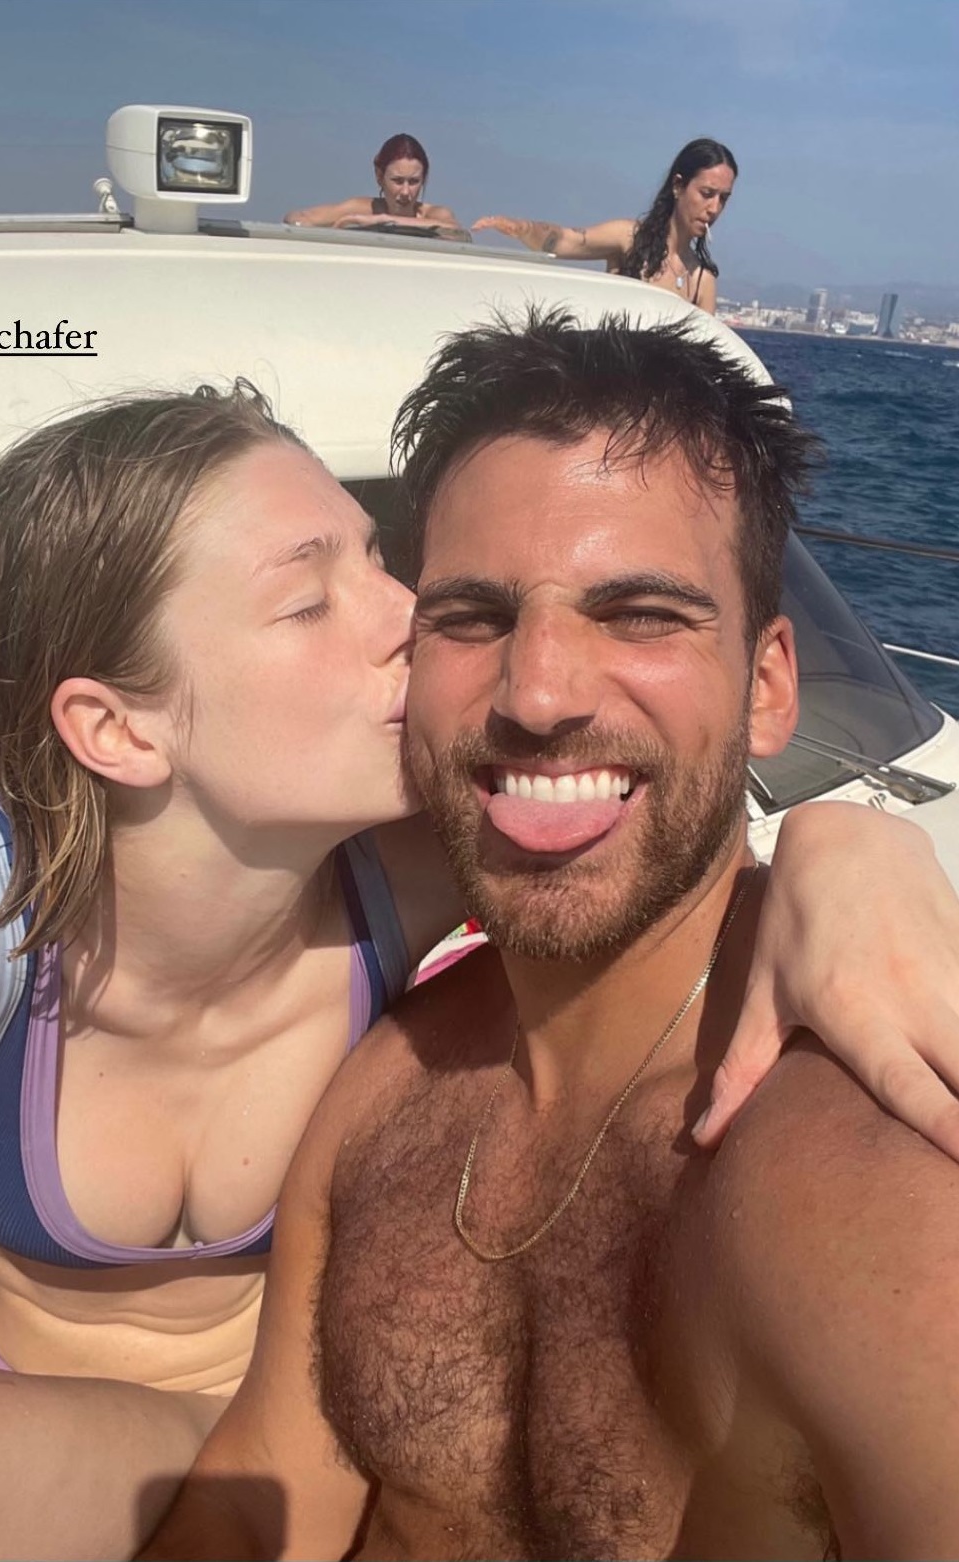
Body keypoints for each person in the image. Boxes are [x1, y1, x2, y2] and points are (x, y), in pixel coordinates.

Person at [0, 382, 958, 1562]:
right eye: (310, 600)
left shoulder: (418, 859)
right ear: (119, 729)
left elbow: (652, 834)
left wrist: (850, 847)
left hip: (217, 1428)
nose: (416, 618)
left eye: (383, 561)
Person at [140, 311, 959, 1562]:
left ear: (767, 685)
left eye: (639, 613)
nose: (535, 692)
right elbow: (255, 1504)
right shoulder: (385, 1088)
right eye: (471, 616)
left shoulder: (872, 1195)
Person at [473, 137, 737, 313]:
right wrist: (521, 228)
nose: (714, 208)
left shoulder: (702, 280)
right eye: (707, 194)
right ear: (678, 185)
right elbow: (568, 241)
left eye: (723, 198)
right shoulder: (629, 239)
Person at [283, 132, 465, 236]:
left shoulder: (434, 214)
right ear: (379, 176)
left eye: (414, 182)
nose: (405, 192)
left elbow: (456, 232)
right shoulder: (360, 209)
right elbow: (296, 217)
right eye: (397, 181)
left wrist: (382, 221)